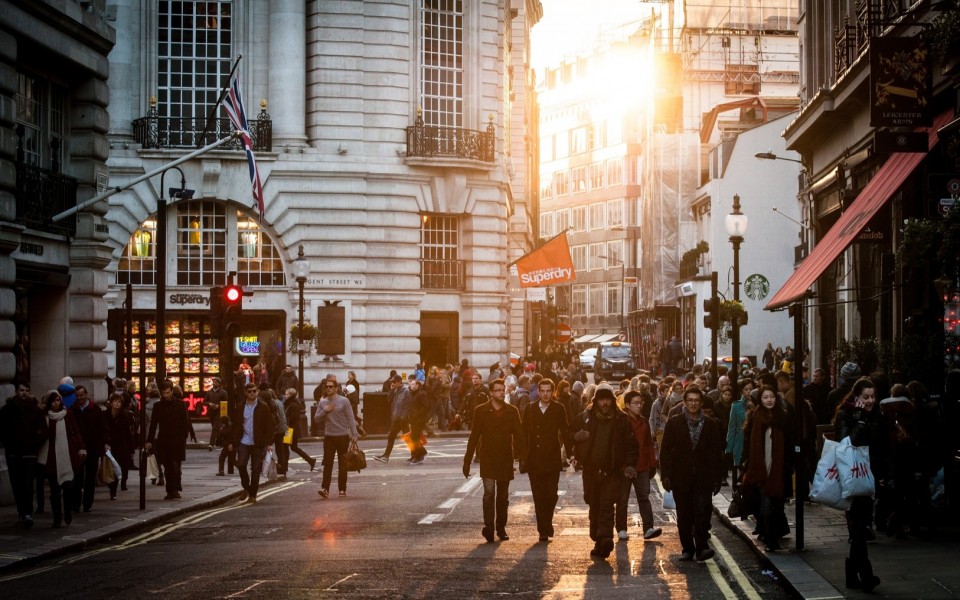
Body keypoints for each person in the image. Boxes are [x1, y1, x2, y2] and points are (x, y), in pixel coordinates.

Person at [571, 384, 639, 559]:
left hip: (612, 471)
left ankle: (606, 537)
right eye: (601, 399)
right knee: (594, 504)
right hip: (591, 470)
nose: (605, 403)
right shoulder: (585, 417)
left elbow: (631, 445)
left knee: (607, 505)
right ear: (595, 401)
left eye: (608, 399)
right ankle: (598, 538)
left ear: (613, 401)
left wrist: (630, 464)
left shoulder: (621, 420)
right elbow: (568, 433)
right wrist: (575, 437)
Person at [659, 384, 723, 562]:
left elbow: (715, 452)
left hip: (703, 477)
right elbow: (666, 451)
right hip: (681, 476)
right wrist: (666, 475)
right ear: (684, 403)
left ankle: (702, 547)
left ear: (701, 403)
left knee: (703, 511)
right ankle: (687, 548)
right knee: (684, 514)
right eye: (690, 400)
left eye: (696, 400)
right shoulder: (674, 422)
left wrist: (717, 478)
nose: (693, 404)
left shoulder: (710, 424)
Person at [834, 377, 883, 592]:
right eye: (866, 397)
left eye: (873, 396)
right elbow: (847, 442)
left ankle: (852, 576)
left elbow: (881, 447)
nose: (870, 400)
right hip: (853, 476)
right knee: (860, 528)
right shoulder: (846, 414)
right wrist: (861, 419)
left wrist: (884, 474)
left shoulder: (878, 414)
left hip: (870, 476)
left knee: (860, 528)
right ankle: (866, 575)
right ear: (856, 397)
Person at [463, 378, 526, 542]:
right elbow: (474, 436)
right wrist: (467, 460)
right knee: (489, 493)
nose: (500, 392)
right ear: (490, 393)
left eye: (502, 390)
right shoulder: (481, 411)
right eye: (497, 390)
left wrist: (523, 458)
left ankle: (501, 528)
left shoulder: (511, 411)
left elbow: (519, 436)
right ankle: (489, 527)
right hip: (488, 458)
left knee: (503, 496)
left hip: (505, 458)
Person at [520, 378, 573, 542]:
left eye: (548, 390)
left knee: (551, 494)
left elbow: (565, 431)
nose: (545, 394)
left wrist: (571, 454)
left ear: (553, 391)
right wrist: (522, 456)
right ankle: (543, 529)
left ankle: (547, 522)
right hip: (534, 459)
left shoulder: (558, 408)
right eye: (542, 390)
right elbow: (523, 434)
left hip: (552, 457)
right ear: (538, 391)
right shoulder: (530, 408)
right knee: (538, 495)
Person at [742, 385, 793, 551]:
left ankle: (770, 533)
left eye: (771, 396)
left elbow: (790, 443)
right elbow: (749, 443)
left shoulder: (783, 417)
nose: (769, 400)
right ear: (760, 400)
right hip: (761, 468)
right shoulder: (755, 417)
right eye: (765, 397)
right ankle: (770, 539)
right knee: (766, 505)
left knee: (777, 504)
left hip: (779, 469)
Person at [0, 383, 47, 528]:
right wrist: (8, 444)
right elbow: (2, 429)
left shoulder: (35, 410)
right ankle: (21, 512)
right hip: (13, 453)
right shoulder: (7, 410)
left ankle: (27, 513)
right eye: (21, 390)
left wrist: (34, 444)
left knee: (27, 485)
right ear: (16, 392)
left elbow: (43, 431)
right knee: (17, 485)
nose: (24, 393)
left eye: (27, 390)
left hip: (29, 453)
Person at [37, 391, 84, 528]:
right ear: (49, 403)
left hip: (66, 456)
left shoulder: (68, 415)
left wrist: (81, 447)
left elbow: (75, 432)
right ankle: (57, 518)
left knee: (69, 487)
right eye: (53, 401)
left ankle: (67, 511)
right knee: (54, 491)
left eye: (58, 400)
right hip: (51, 457)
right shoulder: (45, 417)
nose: (56, 403)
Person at [619, 389, 661, 541]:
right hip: (624, 468)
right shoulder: (621, 421)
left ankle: (648, 528)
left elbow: (649, 445)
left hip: (642, 466)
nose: (639, 406)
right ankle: (622, 529)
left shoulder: (643, 422)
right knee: (622, 500)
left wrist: (652, 464)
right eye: (635, 403)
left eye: (640, 403)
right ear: (628, 404)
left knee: (644, 497)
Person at [229, 384, 275, 503]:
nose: (252, 393)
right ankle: (246, 487)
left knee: (255, 470)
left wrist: (269, 443)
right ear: (246, 393)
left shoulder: (263, 407)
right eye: (249, 391)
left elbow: (268, 425)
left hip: (258, 442)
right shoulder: (240, 407)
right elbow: (235, 425)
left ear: (257, 392)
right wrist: (232, 442)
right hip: (244, 441)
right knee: (241, 465)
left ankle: (252, 495)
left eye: (254, 391)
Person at [315, 377, 359, 498]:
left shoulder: (344, 401)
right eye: (327, 387)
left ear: (336, 388)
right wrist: (325, 410)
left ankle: (342, 489)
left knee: (342, 464)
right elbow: (316, 418)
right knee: (328, 464)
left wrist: (354, 434)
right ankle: (325, 489)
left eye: (330, 387)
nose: (328, 388)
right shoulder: (323, 402)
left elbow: (350, 417)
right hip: (329, 437)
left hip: (343, 437)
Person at [146, 380, 189, 500]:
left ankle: (175, 489)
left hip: (177, 440)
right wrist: (149, 440)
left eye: (168, 392)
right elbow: (153, 424)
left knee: (176, 467)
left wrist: (183, 437)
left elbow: (185, 423)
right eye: (164, 393)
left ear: (172, 391)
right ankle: (170, 491)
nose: (166, 395)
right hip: (164, 441)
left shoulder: (180, 404)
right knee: (167, 468)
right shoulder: (158, 406)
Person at [70, 385, 110, 513]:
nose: (80, 397)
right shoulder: (72, 410)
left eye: (81, 395)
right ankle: (76, 503)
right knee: (77, 477)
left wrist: (105, 442)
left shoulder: (95, 409)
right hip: (78, 448)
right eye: (77, 395)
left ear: (86, 394)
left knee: (90, 478)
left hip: (93, 448)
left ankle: (87, 504)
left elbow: (103, 427)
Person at [104, 392, 135, 498]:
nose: (117, 404)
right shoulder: (105, 414)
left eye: (119, 402)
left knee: (120, 466)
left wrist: (131, 449)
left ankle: (118, 486)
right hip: (110, 445)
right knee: (112, 467)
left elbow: (128, 433)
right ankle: (112, 488)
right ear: (111, 403)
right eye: (115, 401)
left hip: (122, 445)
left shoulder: (125, 415)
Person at [374, 375, 411, 463]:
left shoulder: (406, 391)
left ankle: (416, 454)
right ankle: (386, 456)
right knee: (392, 436)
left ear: (399, 382)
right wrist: (391, 389)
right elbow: (389, 400)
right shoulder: (395, 391)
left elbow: (408, 405)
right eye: (392, 382)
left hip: (403, 419)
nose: (392, 383)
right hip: (396, 418)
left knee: (408, 438)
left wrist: (404, 416)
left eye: (394, 382)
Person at [283, 387, 316, 470]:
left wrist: (286, 424)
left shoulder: (293, 404)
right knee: (293, 447)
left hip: (290, 430)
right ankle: (310, 460)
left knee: (285, 448)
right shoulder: (291, 403)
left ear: (291, 395)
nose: (285, 395)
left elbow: (292, 418)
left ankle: (285, 467)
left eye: (286, 394)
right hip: (292, 429)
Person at [406, 376, 431, 465]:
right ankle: (417, 455)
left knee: (414, 437)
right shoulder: (412, 394)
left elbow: (426, 406)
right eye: (410, 384)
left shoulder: (421, 394)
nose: (411, 385)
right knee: (414, 437)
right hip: (413, 419)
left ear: (417, 385)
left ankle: (420, 454)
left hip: (419, 419)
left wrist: (417, 414)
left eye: (413, 384)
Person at [204, 377, 229, 449]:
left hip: (219, 412)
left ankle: (211, 444)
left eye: (216, 382)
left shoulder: (223, 392)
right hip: (211, 412)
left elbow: (226, 402)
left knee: (215, 428)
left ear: (219, 384)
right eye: (214, 382)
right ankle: (220, 443)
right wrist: (209, 404)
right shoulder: (209, 392)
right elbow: (204, 401)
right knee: (216, 429)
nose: (214, 383)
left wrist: (218, 405)